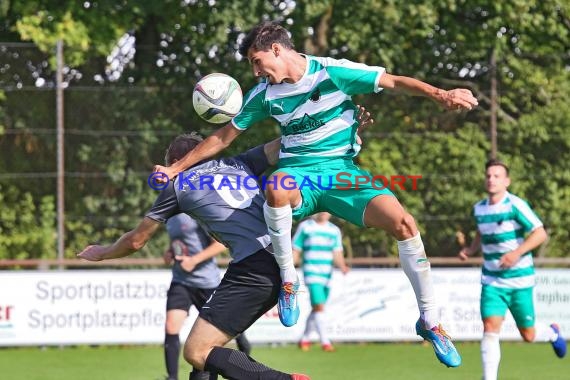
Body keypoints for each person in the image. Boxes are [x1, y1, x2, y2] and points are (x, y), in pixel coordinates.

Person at [152, 21, 479, 367]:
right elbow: (221, 138)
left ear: (276, 49)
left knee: (404, 223)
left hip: (341, 174)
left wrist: (442, 95)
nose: (255, 70)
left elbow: (395, 82)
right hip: (299, 174)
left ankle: (430, 321)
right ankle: (289, 280)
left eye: (256, 60)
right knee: (277, 187)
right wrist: (176, 169)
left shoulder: (333, 71)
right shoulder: (263, 94)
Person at [79, 134, 310, 380]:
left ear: (178, 161)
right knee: (204, 358)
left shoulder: (179, 186)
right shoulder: (237, 163)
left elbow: (136, 240)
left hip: (255, 268)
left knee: (197, 351)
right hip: (278, 259)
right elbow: (286, 142)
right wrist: (336, 125)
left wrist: (103, 252)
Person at [458, 159, 566, 380]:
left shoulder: (515, 205)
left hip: (519, 280)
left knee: (528, 334)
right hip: (491, 280)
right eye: (488, 175)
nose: (491, 179)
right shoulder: (479, 209)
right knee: (490, 327)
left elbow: (540, 233)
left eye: (497, 176)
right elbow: (481, 232)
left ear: (507, 181)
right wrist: (470, 249)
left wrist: (516, 253)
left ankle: (552, 333)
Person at [162, 212, 251, 380]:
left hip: (206, 283)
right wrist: (170, 252)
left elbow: (219, 244)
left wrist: (194, 260)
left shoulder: (195, 211)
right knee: (170, 326)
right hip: (181, 281)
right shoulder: (169, 215)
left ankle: (242, 342)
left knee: (216, 333)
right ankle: (172, 377)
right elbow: (180, 241)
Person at [292, 212, 349, 352]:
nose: (324, 213)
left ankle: (304, 339)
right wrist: (289, 268)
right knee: (319, 306)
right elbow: (296, 249)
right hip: (311, 272)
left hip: (327, 274)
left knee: (318, 307)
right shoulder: (306, 227)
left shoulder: (333, 230)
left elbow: (337, 252)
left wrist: (342, 266)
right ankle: (325, 342)